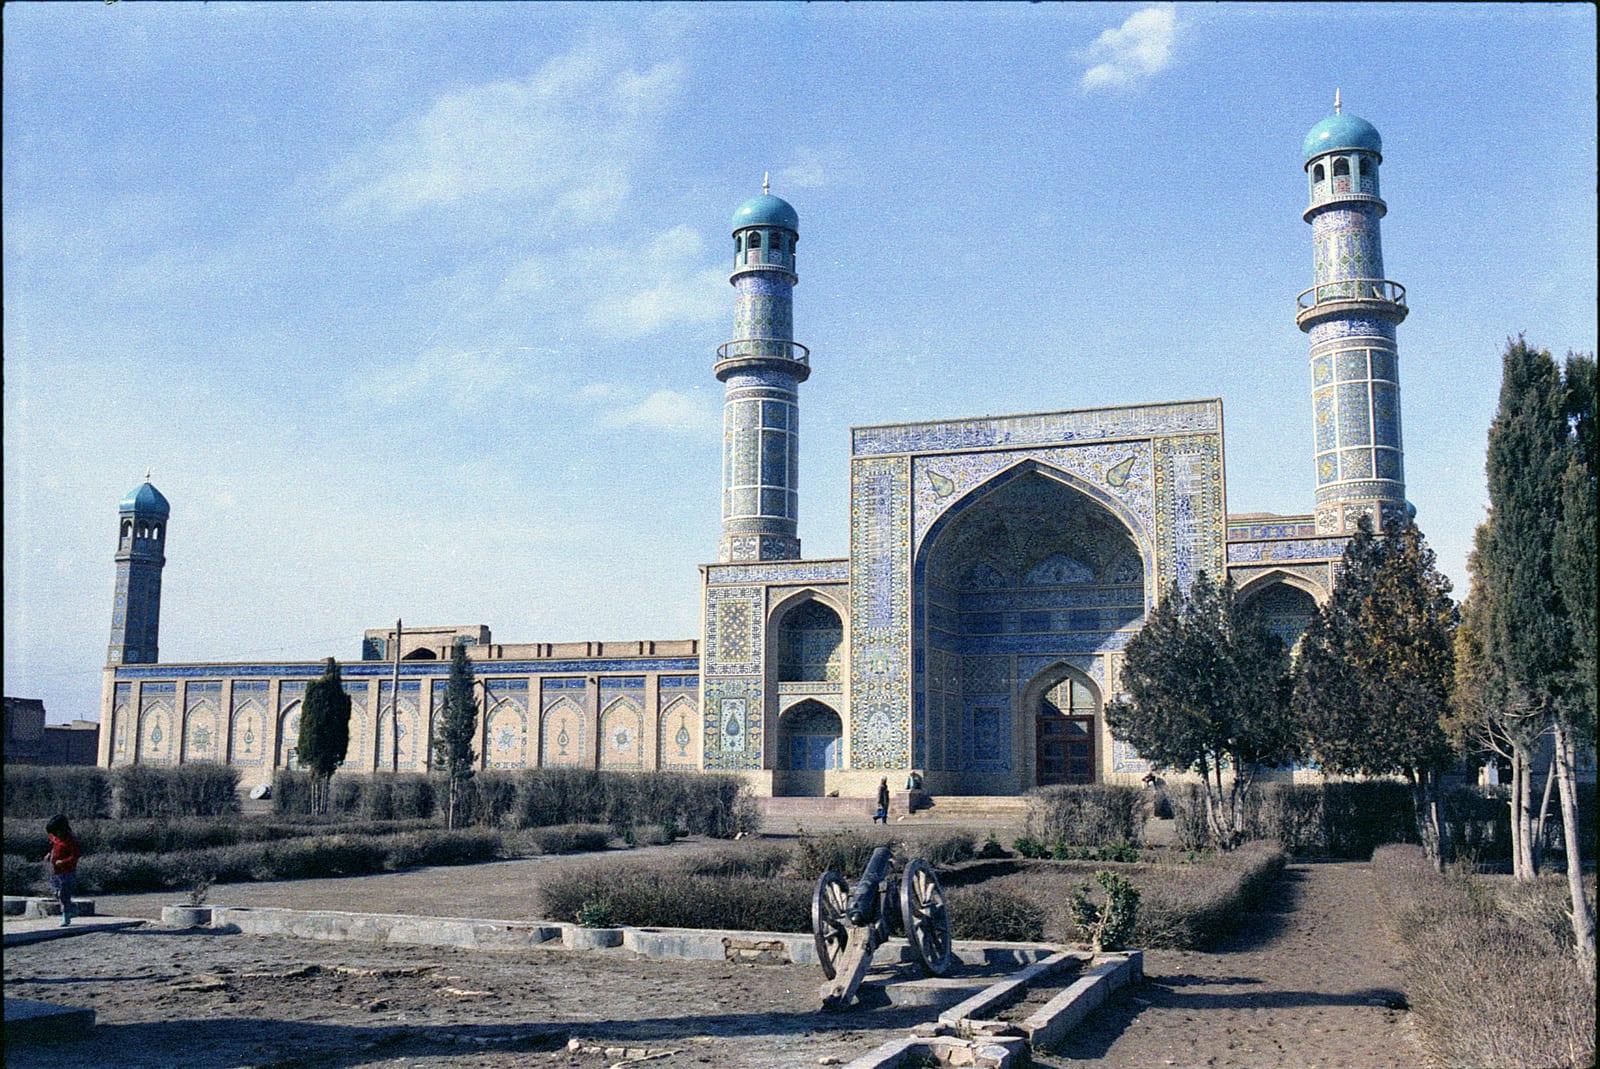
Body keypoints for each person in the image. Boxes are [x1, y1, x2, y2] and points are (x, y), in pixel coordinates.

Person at [44, 815, 80, 927]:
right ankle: (72, 909)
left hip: (67, 872)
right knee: (57, 893)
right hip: (55, 872)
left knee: (64, 895)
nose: (54, 835)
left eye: (56, 832)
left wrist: (64, 861)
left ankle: (66, 917)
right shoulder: (55, 837)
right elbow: (53, 845)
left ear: (63, 829)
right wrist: (49, 854)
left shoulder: (70, 840)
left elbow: (75, 855)